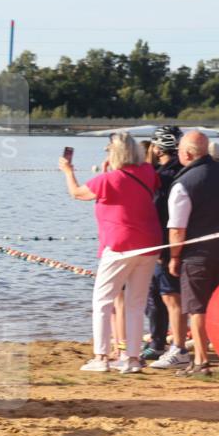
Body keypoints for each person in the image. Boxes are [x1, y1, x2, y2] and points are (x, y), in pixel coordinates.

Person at [59, 132, 161, 374]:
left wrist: (67, 171)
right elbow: (136, 187)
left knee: (102, 300)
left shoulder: (107, 180)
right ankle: (132, 359)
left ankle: (101, 357)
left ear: (114, 154)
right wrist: (109, 170)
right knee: (136, 303)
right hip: (149, 243)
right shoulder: (148, 171)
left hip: (120, 245)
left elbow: (77, 193)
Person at [167, 131, 219, 376]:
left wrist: (174, 257)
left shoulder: (184, 183)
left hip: (196, 254)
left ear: (187, 153)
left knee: (198, 308)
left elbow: (177, 228)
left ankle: (201, 361)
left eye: (179, 150)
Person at [145, 126, 192, 369]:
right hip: (181, 239)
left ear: (158, 147)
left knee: (165, 295)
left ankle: (167, 345)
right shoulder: (185, 170)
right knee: (163, 295)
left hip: (165, 242)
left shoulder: (162, 176)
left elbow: (155, 208)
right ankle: (161, 343)